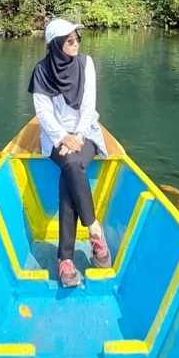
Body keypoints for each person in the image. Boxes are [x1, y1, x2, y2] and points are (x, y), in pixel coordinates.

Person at [28, 17, 111, 287]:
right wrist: (62, 137)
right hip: (56, 137)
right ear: (56, 45)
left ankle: (65, 259)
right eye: (70, 40)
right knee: (72, 166)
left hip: (84, 133)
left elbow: (88, 108)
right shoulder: (41, 71)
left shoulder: (86, 65)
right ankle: (94, 229)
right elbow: (43, 113)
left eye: (78, 39)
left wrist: (77, 136)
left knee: (71, 167)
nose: (76, 44)